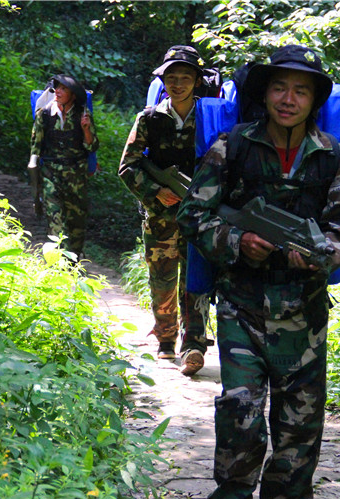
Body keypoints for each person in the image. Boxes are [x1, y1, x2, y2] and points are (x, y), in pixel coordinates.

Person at [176, 45, 340, 499]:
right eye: (280, 87)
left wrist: (319, 254)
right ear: (265, 94)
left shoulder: (334, 157)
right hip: (242, 304)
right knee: (239, 409)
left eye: (301, 90)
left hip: (304, 311)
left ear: (314, 100)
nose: (288, 99)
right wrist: (237, 241)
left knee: (300, 420)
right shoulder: (231, 146)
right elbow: (193, 215)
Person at [118, 45, 210, 376]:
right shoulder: (149, 119)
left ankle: (194, 344)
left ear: (197, 81)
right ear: (163, 81)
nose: (178, 84)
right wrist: (156, 192)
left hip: (200, 216)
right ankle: (166, 340)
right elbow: (127, 167)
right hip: (160, 217)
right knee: (162, 280)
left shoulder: (211, 117)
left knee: (196, 281)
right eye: (172, 78)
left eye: (185, 77)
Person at [29, 74, 99, 260]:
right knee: (56, 224)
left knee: (77, 227)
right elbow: (35, 149)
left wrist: (86, 129)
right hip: (51, 176)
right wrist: (36, 187)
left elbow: (92, 147)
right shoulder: (44, 114)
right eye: (56, 88)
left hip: (76, 178)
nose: (57, 92)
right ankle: (59, 265)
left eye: (63, 89)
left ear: (73, 95)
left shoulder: (83, 116)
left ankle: (72, 263)